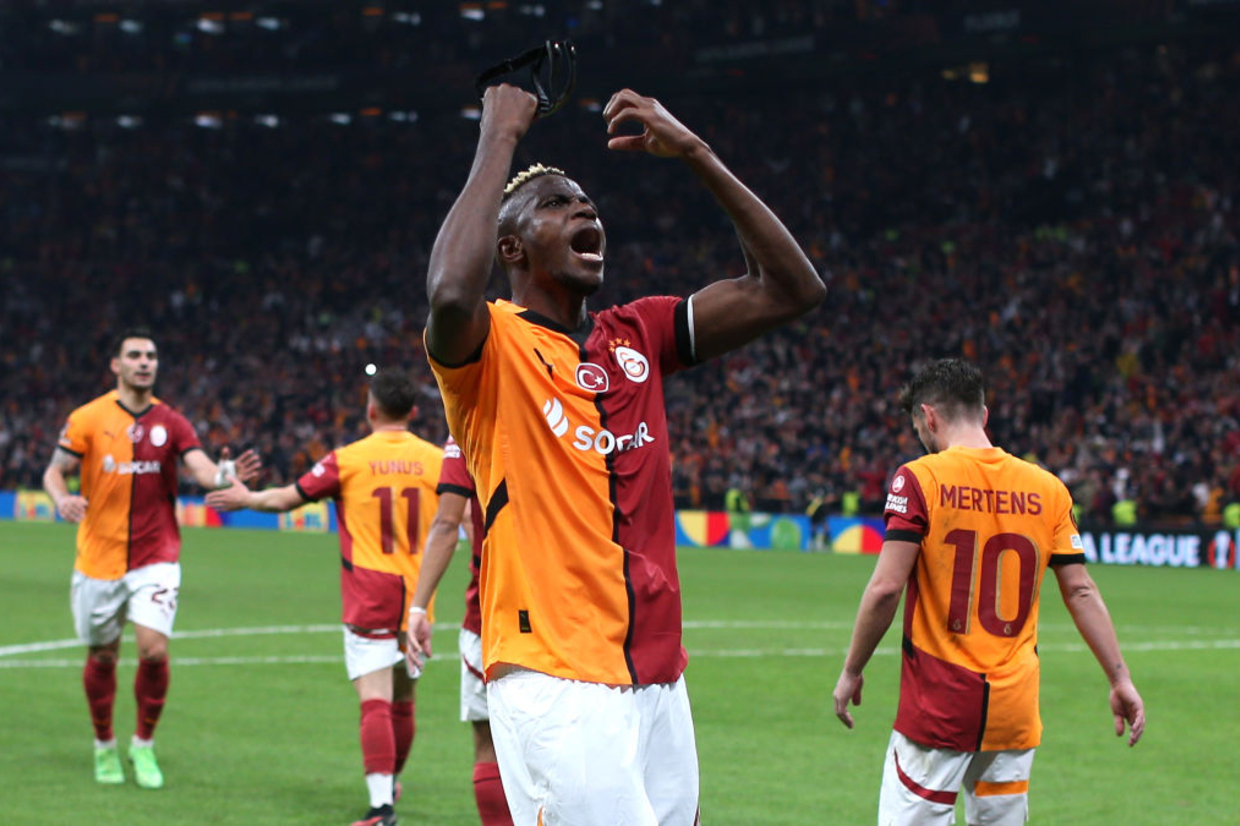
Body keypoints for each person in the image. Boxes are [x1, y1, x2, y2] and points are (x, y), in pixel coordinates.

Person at [423, 84, 826, 824]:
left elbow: (792, 290)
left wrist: (696, 152)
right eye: (556, 205)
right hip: (554, 676)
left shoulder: (638, 333)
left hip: (659, 678)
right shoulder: (490, 347)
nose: (585, 211)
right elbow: (450, 294)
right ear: (510, 248)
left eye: (588, 203)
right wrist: (499, 136)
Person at [832, 359, 1145, 825]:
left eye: (918, 428)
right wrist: (1120, 679)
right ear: (983, 414)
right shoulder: (1049, 489)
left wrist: (852, 670)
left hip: (938, 705)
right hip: (1012, 711)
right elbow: (1081, 590)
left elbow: (885, 588)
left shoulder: (919, 479)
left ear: (928, 417)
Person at [206, 370, 443, 826]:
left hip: (370, 594)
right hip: (419, 598)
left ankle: (381, 808)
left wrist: (246, 498)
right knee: (404, 698)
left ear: (370, 410)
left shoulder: (348, 460)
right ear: (413, 412)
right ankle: (390, 781)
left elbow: (285, 500)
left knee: (375, 698)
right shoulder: (437, 461)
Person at [42, 328, 260, 789]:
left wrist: (225, 474)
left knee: (153, 650)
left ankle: (143, 744)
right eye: (135, 355)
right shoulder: (87, 417)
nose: (145, 362)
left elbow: (202, 468)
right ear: (116, 365)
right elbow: (54, 471)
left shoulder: (172, 421)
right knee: (103, 656)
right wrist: (62, 498)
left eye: (152, 356)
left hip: (156, 555)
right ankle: (104, 744)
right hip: (98, 557)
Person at [405, 437, 513, 826]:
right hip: (563, 614)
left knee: (489, 745)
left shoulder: (467, 425)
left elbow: (448, 521)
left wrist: (418, 607)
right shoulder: (568, 412)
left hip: (491, 614)